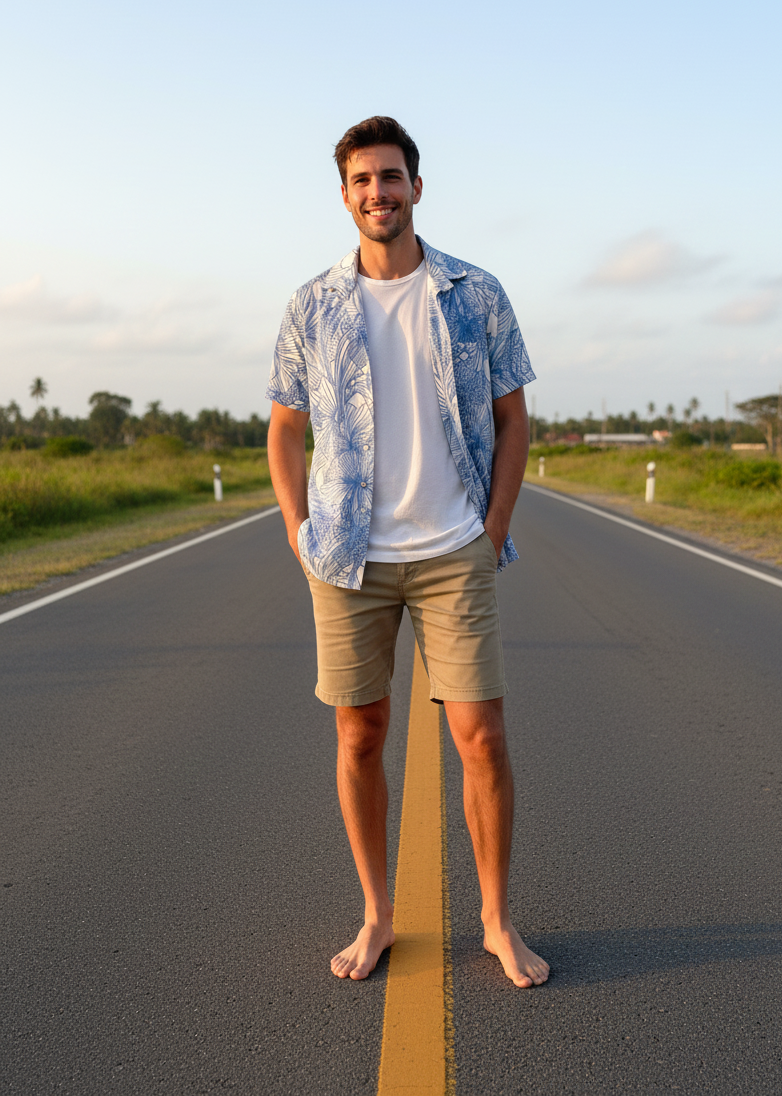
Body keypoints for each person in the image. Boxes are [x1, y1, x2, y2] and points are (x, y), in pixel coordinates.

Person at [266, 116, 549, 989]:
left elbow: (512, 419)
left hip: (455, 544)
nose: (377, 193)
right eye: (362, 180)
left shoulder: (475, 293)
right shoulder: (312, 305)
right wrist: (299, 531)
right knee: (360, 735)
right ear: (344, 195)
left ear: (416, 188)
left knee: (481, 737)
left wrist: (494, 527)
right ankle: (377, 915)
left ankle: (496, 921)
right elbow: (284, 430)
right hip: (348, 555)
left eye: (390, 177)